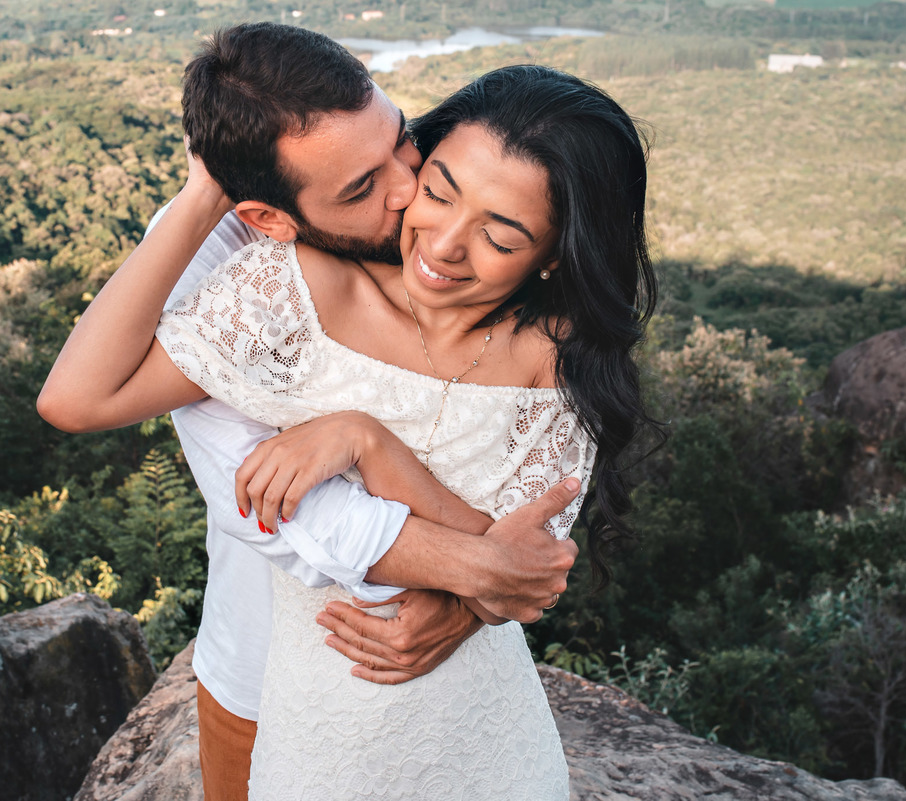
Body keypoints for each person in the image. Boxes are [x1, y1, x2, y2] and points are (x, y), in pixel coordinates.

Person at [41, 23, 585, 799]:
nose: (408, 195)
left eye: (401, 144)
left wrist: (471, 610)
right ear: (270, 217)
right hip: (267, 668)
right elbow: (290, 506)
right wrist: (477, 575)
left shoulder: (459, 214)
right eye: (361, 191)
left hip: (462, 703)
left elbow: (538, 519)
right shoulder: (245, 283)